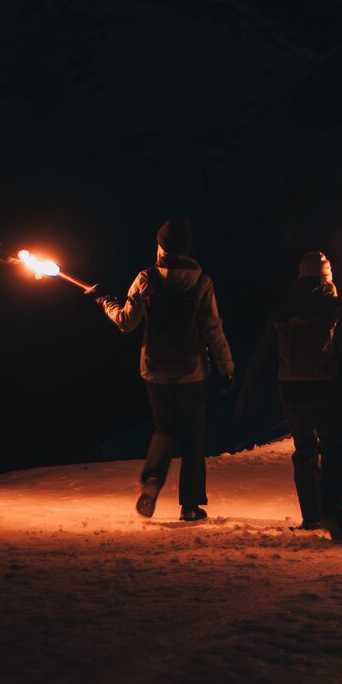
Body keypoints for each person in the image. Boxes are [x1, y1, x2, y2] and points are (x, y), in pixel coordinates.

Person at [236, 252, 342, 541]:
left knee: (305, 452)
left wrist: (244, 399)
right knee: (334, 454)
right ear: (328, 278)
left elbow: (261, 356)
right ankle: (332, 516)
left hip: (292, 393)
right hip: (332, 391)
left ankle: (311, 517)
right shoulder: (339, 306)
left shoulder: (282, 310)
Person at [92, 217, 236, 522]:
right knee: (193, 435)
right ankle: (191, 506)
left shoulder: (146, 278)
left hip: (154, 369)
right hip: (192, 371)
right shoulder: (202, 281)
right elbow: (214, 329)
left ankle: (154, 478)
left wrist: (106, 303)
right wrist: (226, 369)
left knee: (164, 428)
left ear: (161, 246)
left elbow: (126, 322)